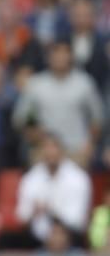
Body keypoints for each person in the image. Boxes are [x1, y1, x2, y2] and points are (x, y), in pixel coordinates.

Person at [13, 38, 103, 167]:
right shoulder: (36, 84)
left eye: (64, 53)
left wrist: (90, 145)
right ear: (48, 57)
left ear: (71, 56)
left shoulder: (84, 83)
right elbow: (21, 116)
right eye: (55, 53)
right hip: (44, 150)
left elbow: (97, 118)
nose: (59, 57)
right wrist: (34, 131)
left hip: (76, 150)